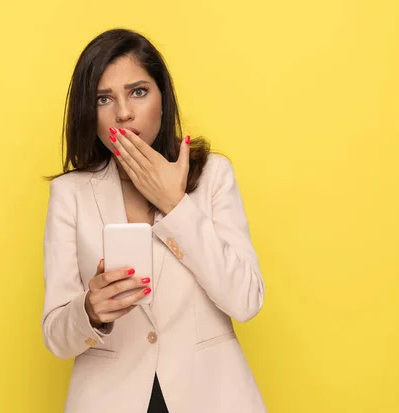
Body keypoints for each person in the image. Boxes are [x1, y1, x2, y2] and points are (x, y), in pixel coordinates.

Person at [41, 28, 266, 413]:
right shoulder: (71, 194)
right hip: (109, 398)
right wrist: (91, 311)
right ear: (89, 114)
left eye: (138, 92)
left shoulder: (213, 175)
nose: (124, 112)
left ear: (163, 99)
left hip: (212, 396)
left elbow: (246, 300)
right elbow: (56, 337)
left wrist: (175, 205)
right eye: (103, 98)